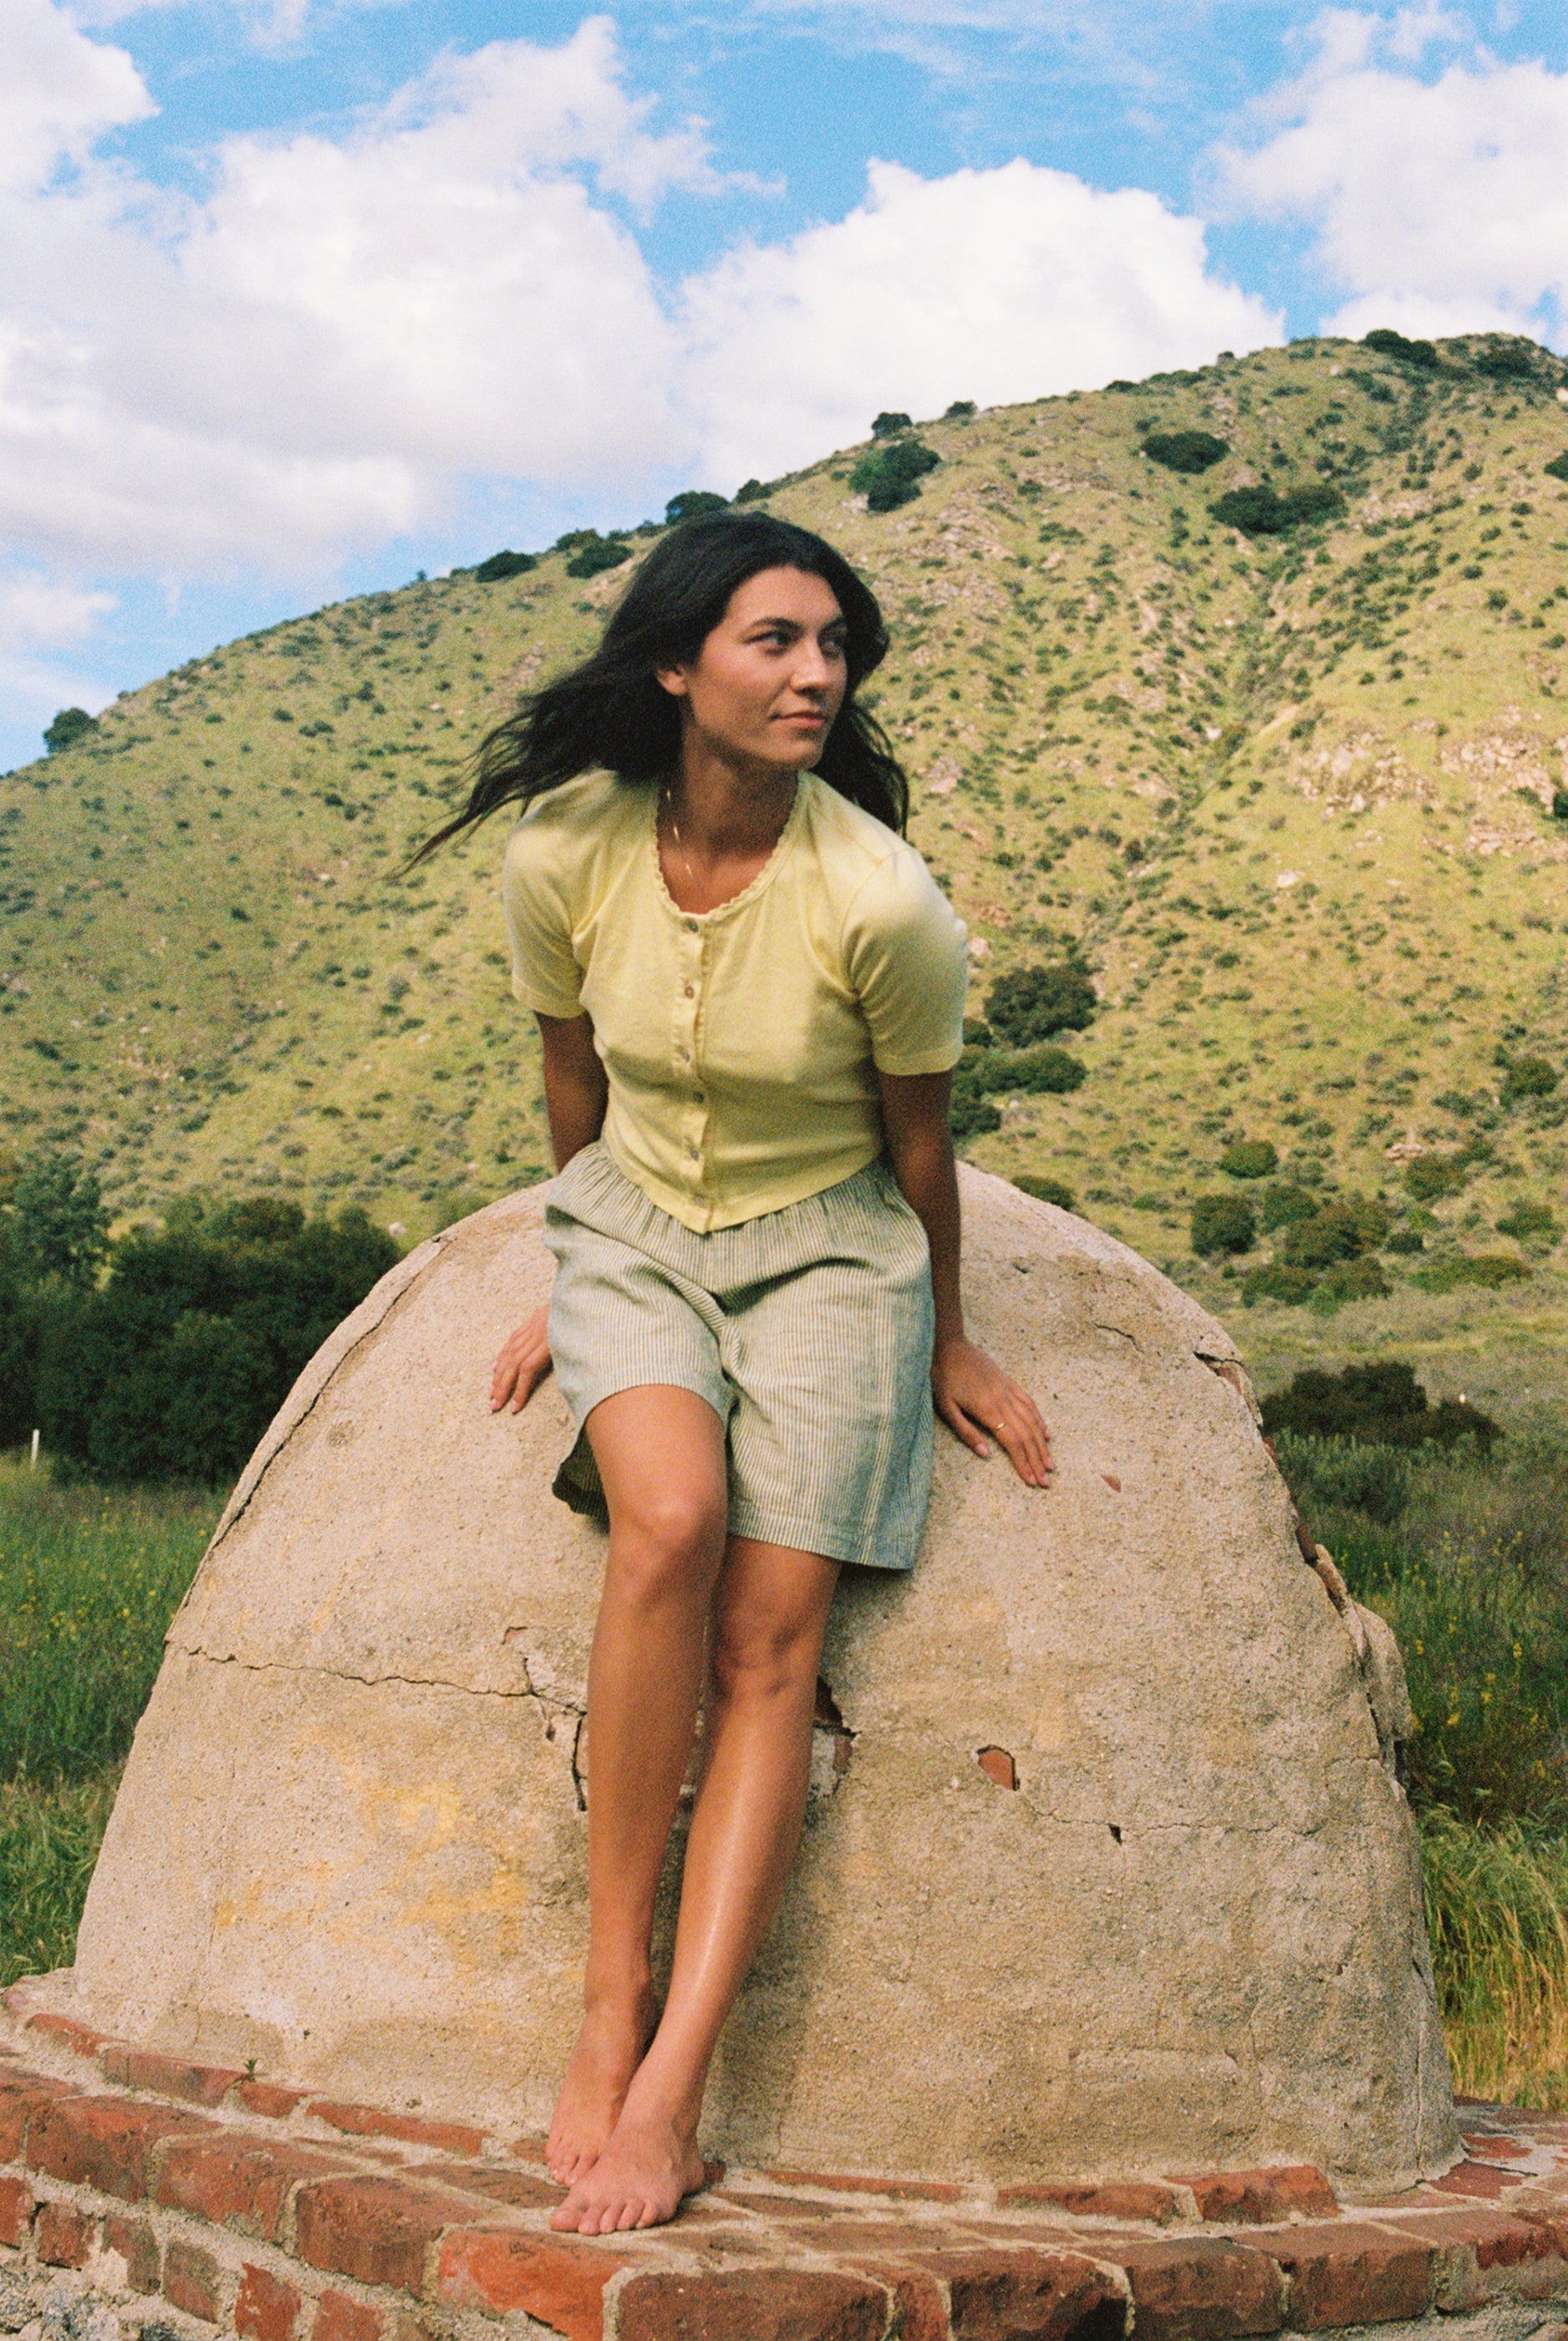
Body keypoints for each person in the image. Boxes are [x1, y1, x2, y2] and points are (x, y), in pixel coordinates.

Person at [420, 511, 1050, 2236]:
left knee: (775, 1633)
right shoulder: (566, 848)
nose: (815, 673)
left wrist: (945, 1329)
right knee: (666, 1519)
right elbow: (572, 1072)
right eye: (776, 639)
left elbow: (919, 1151)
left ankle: (673, 2080)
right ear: (675, 665)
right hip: (631, 1226)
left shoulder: (880, 899)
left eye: (834, 645)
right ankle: (602, 1992)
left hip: (831, 1243)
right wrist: (573, 1256)